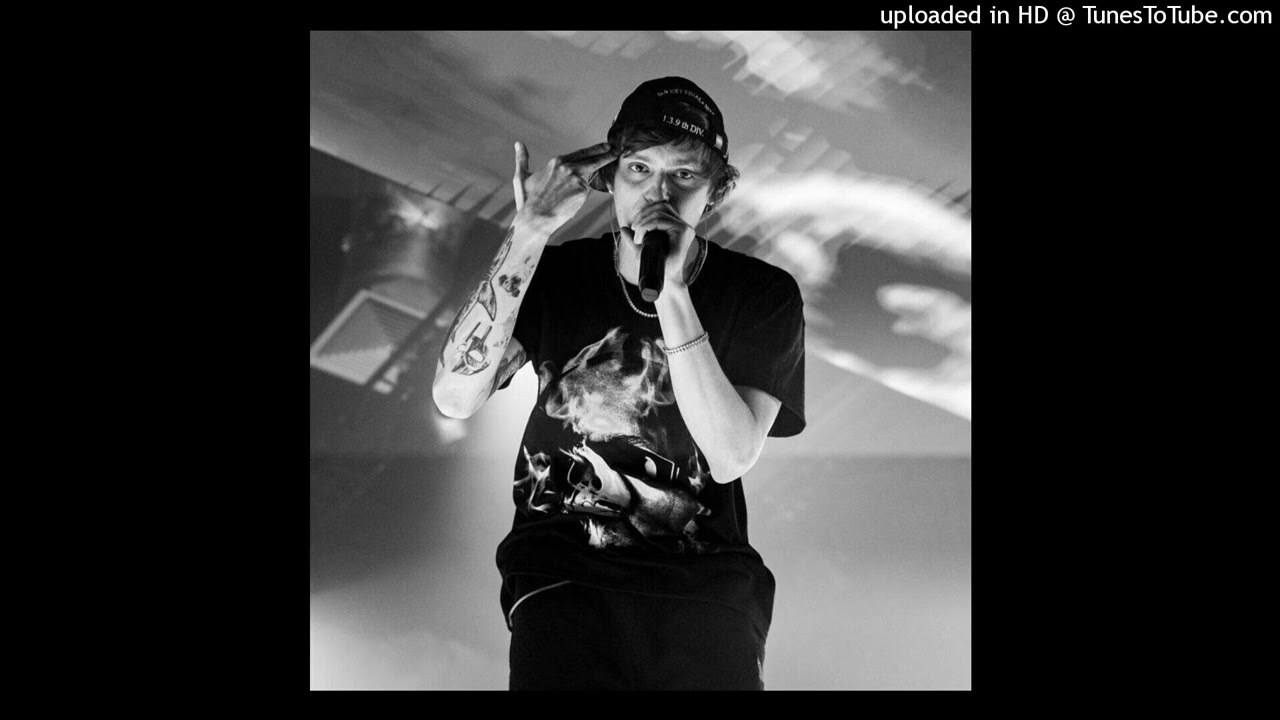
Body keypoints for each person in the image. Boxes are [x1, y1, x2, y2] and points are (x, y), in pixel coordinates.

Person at [432, 76, 805, 690]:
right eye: (639, 168)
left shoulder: (761, 295)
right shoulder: (557, 275)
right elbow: (454, 396)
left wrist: (673, 290)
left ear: (713, 192)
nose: (659, 192)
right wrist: (528, 232)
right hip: (561, 578)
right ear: (609, 178)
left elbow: (731, 455)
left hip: (705, 593)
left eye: (684, 174)